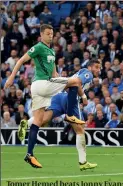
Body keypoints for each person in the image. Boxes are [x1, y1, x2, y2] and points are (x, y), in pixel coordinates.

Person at [4, 24, 85, 169]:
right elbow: (21, 60)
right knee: (77, 81)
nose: (51, 36)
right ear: (41, 35)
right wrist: (11, 77)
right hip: (42, 84)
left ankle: (29, 154)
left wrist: (62, 83)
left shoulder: (52, 52)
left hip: (41, 88)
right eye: (48, 33)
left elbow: (55, 75)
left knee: (39, 121)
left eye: (52, 33)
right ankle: (71, 115)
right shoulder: (39, 47)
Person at [17, 60, 101, 171]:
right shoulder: (87, 74)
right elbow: (78, 83)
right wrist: (84, 97)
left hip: (58, 97)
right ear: (90, 67)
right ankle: (83, 162)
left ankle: (26, 123)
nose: (98, 70)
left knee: (43, 120)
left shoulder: (80, 72)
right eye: (96, 67)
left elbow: (68, 84)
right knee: (80, 131)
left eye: (100, 68)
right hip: (70, 100)